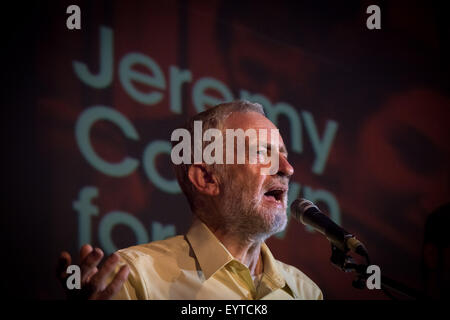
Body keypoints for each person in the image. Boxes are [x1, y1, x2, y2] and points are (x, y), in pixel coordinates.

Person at [57, 100, 323, 300]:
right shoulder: (137, 277)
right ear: (206, 178)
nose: (288, 169)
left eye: (284, 155)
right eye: (262, 153)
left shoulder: (305, 291)